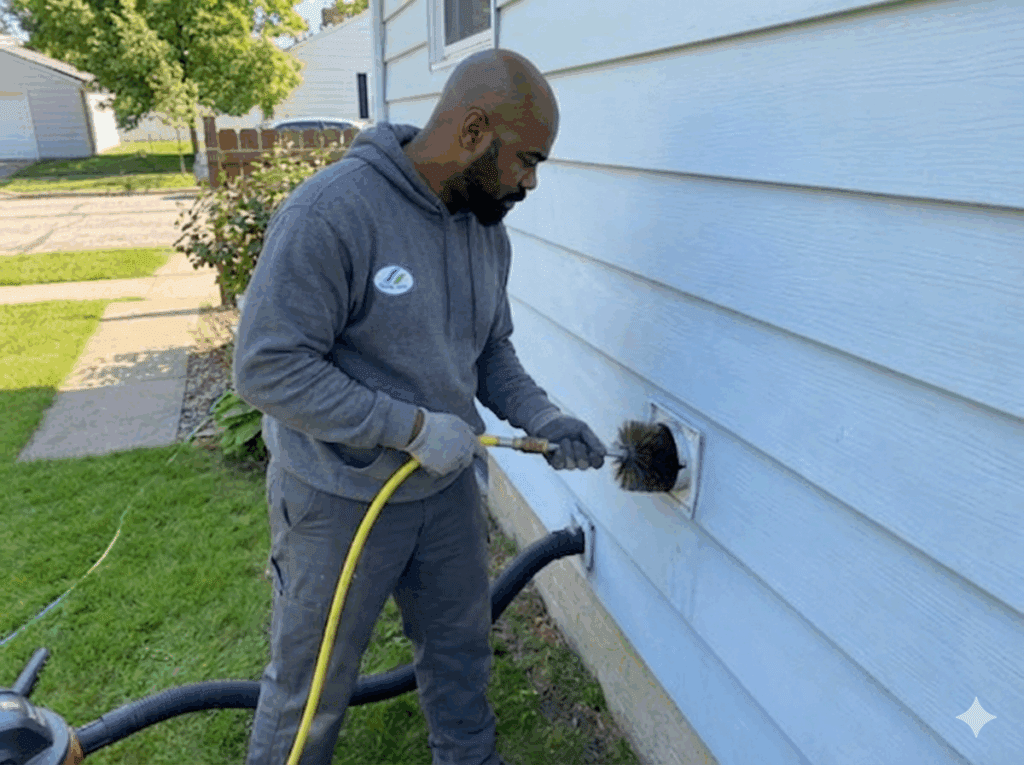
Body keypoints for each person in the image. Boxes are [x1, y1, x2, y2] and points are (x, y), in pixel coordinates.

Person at [234, 47, 607, 765]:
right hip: (337, 500)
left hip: (442, 497)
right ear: (473, 131)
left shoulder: (483, 227)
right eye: (526, 160)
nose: (530, 182)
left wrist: (544, 417)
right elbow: (267, 365)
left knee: (462, 657)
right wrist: (403, 426)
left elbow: (489, 349)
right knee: (311, 687)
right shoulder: (333, 213)